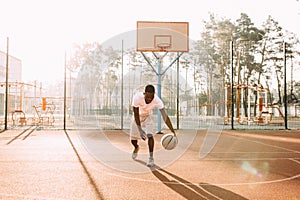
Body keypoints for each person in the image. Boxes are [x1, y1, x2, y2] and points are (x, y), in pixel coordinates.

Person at [130, 84, 176, 167]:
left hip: (148, 116)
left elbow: (165, 117)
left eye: (151, 98)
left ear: (154, 95)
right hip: (137, 117)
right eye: (147, 97)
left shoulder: (157, 100)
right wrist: (140, 130)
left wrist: (173, 131)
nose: (149, 99)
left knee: (150, 136)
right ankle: (136, 147)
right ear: (144, 94)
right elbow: (136, 113)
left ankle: (151, 158)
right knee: (133, 140)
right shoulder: (137, 97)